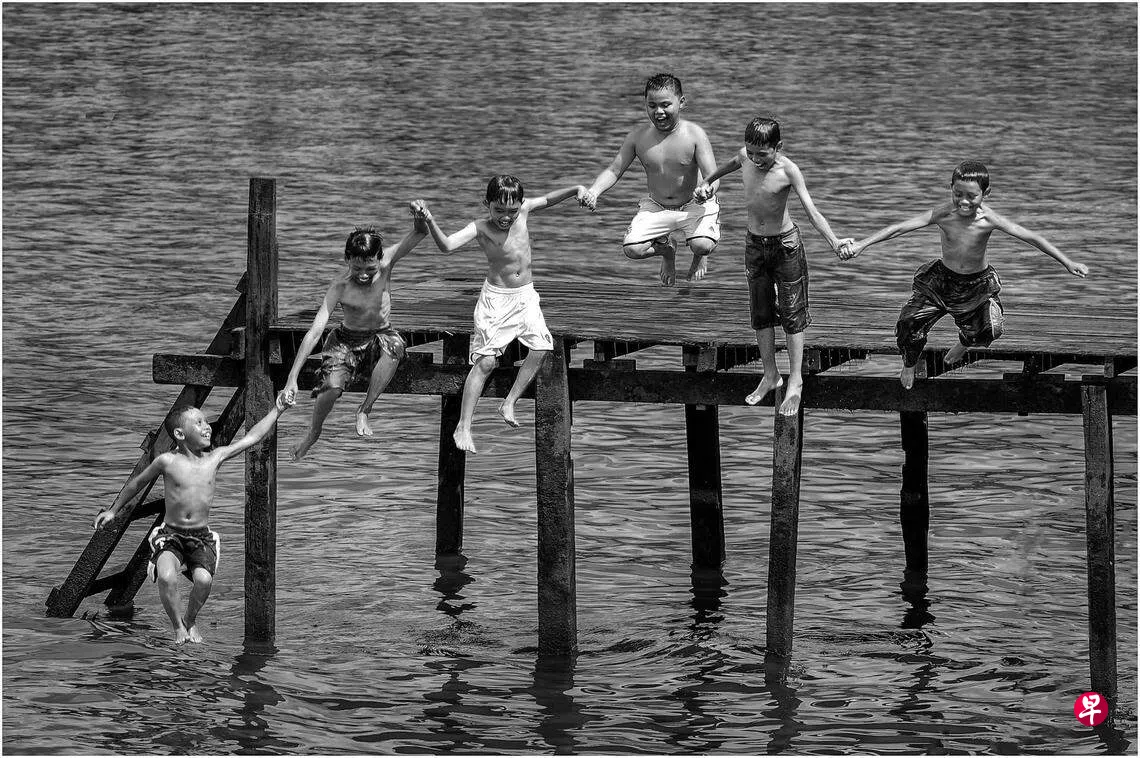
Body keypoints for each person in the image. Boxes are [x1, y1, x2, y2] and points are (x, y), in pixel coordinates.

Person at [838, 160, 1089, 388]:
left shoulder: (989, 219)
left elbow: (1032, 238)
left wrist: (1067, 262)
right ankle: (909, 364)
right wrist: (862, 244)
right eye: (958, 194)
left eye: (972, 196)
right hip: (940, 281)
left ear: (986, 194)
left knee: (991, 328)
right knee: (908, 323)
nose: (964, 202)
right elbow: (899, 228)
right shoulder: (943, 213)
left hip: (976, 285)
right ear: (951, 188)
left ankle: (964, 343)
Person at [93, 392, 294, 643]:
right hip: (171, 534)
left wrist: (277, 409)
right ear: (180, 434)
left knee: (203, 580)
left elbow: (252, 437)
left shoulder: (215, 457)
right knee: (167, 576)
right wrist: (113, 510)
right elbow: (137, 483)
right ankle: (178, 627)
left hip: (200, 536)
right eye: (198, 423)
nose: (207, 426)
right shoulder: (167, 461)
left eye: (206, 421)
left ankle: (190, 620)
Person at [412, 174, 590, 453]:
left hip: (525, 296)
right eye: (499, 210)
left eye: (512, 210)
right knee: (486, 363)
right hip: (496, 301)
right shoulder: (480, 227)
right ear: (487, 204)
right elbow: (446, 246)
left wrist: (576, 189)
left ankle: (509, 402)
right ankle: (463, 426)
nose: (506, 217)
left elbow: (549, 199)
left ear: (520, 204)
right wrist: (430, 219)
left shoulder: (525, 210)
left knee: (542, 346)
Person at [692, 116, 851, 415]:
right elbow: (729, 165)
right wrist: (707, 181)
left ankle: (796, 381)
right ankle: (770, 375)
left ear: (778, 147)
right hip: (754, 245)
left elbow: (812, 210)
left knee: (792, 313)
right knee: (761, 313)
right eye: (751, 152)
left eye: (762, 154)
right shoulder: (745, 156)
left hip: (785, 246)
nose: (755, 159)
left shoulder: (788, 170)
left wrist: (834, 242)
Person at [282, 216, 428, 460]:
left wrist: (421, 217)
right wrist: (292, 378)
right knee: (331, 388)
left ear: (379, 259)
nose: (363, 275)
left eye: (370, 269)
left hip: (380, 335)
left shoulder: (387, 263)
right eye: (357, 269)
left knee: (395, 345)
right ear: (347, 259)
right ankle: (313, 433)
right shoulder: (339, 286)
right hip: (345, 341)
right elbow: (315, 331)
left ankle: (364, 410)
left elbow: (420, 233)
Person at [580, 73, 720, 286]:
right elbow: (614, 170)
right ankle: (667, 250)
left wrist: (707, 190)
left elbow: (713, 176)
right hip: (657, 205)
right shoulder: (638, 136)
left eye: (665, 105)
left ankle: (699, 255)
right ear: (645, 104)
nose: (659, 112)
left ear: (681, 102)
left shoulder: (695, 134)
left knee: (702, 246)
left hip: (694, 203)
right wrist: (594, 191)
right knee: (632, 249)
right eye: (652, 105)